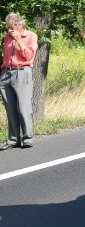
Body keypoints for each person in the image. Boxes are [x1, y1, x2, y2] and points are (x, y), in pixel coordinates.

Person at [1, 13, 38, 149]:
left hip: (22, 72)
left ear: (20, 25)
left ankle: (27, 138)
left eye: (12, 27)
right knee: (10, 108)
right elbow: (5, 57)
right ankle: (13, 139)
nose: (10, 30)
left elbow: (29, 56)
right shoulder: (7, 38)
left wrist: (19, 41)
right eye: (8, 27)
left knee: (23, 107)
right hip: (6, 74)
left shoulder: (31, 36)